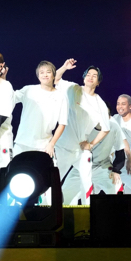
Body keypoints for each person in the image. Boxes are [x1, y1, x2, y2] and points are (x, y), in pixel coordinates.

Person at [53, 59, 110, 205]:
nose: (90, 77)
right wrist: (64, 67)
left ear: (98, 82)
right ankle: (47, 209)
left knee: (86, 181)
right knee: (53, 180)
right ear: (84, 78)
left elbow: (106, 129)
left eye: (94, 76)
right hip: (63, 147)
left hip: (81, 149)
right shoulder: (73, 88)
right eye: (88, 74)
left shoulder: (99, 103)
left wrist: (91, 144)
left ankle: (87, 211)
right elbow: (55, 79)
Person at [11, 61, 67, 158]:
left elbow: (62, 124)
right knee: (13, 167)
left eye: (48, 72)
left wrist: (52, 144)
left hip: (44, 145)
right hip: (22, 143)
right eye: (42, 72)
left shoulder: (61, 96)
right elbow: (10, 98)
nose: (45, 75)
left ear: (54, 75)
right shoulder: (28, 90)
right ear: (38, 76)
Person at [86, 106, 125, 196]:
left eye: (106, 115)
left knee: (116, 184)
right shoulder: (85, 125)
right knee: (64, 195)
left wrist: (116, 170)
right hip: (82, 167)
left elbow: (120, 151)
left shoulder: (114, 127)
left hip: (102, 165)